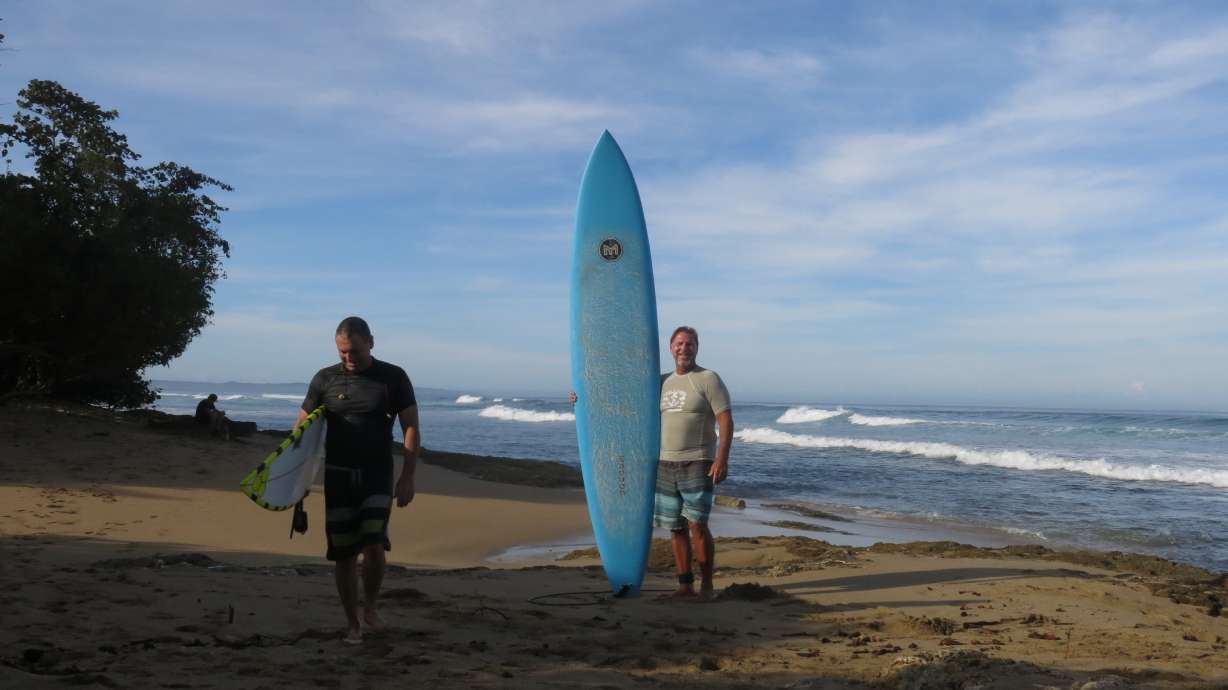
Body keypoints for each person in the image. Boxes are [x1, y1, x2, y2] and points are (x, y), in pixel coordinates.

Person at [570, 325, 733, 600]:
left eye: (690, 344)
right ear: (671, 348)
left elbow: (725, 420)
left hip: (698, 461)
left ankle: (706, 586)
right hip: (664, 464)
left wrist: (722, 459)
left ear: (697, 348)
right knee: (675, 527)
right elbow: (620, 399)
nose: (684, 348)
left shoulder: (708, 379)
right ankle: (684, 586)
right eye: (679, 344)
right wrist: (581, 399)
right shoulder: (659, 382)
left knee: (697, 525)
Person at [296, 316, 420, 644]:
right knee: (343, 553)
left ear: (371, 343)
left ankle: (371, 607)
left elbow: (410, 426)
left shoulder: (393, 377)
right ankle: (353, 623)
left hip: (377, 473)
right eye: (342, 353)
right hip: (337, 476)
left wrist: (408, 477)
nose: (348, 359)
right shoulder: (324, 379)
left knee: (374, 543)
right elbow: (302, 429)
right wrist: (298, 478)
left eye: (353, 352)